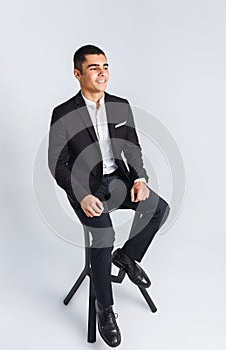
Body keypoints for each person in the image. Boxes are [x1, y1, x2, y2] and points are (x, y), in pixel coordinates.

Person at [48, 44, 170, 347]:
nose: (102, 73)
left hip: (119, 180)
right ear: (78, 74)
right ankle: (105, 308)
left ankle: (127, 257)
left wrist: (140, 178)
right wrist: (81, 195)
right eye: (93, 68)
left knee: (158, 207)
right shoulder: (63, 113)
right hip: (85, 188)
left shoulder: (120, 104)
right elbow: (57, 164)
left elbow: (132, 146)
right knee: (103, 236)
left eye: (105, 66)